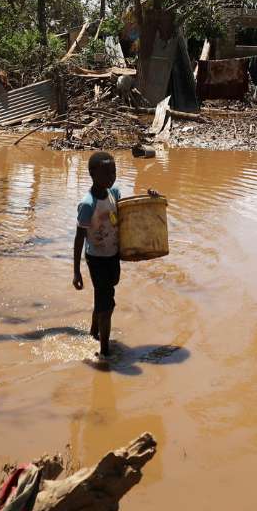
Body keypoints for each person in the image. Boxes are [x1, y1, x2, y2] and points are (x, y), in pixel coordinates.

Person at [71, 151, 161, 359]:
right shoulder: (88, 204)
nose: (111, 176)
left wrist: (151, 195)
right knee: (108, 304)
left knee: (105, 292)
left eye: (114, 171)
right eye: (106, 173)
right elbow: (78, 239)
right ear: (92, 174)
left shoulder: (114, 193)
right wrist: (76, 272)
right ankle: (105, 353)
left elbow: (131, 208)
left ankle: (93, 331)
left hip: (112, 256)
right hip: (96, 259)